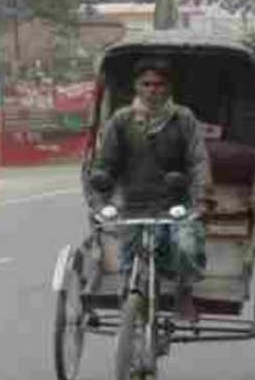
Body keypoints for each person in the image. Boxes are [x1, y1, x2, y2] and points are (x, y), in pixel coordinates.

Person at [85, 58, 211, 300]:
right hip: (132, 204)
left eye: (159, 84)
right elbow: (106, 163)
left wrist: (201, 198)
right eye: (146, 84)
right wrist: (102, 184)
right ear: (137, 86)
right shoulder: (121, 120)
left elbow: (198, 161)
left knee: (186, 246)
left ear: (169, 88)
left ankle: (183, 289)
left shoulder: (183, 118)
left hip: (175, 204)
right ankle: (130, 304)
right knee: (128, 261)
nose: (152, 90)